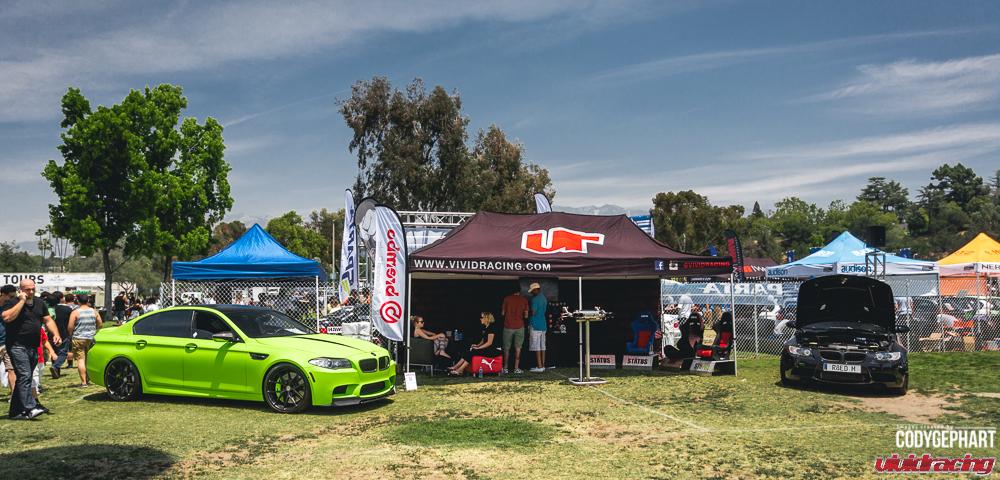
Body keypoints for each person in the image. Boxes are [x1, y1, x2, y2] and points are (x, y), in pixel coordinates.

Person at [2, 279, 62, 419]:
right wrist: (22, 301)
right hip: (17, 345)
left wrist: (56, 334)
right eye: (27, 289)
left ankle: (15, 412)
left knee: (24, 378)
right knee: (25, 375)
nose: (31, 292)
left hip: (33, 346)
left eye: (33, 289)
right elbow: (7, 317)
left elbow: (48, 320)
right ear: (21, 290)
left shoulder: (39, 303)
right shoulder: (12, 302)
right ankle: (30, 407)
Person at [67, 294, 102, 387]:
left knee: (80, 359)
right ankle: (89, 378)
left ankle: (83, 382)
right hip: (90, 338)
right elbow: (100, 324)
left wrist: (70, 334)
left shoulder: (75, 312)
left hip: (78, 338)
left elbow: (70, 326)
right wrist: (94, 330)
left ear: (78, 301)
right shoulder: (94, 311)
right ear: (88, 301)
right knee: (88, 359)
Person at [501, 285, 529, 374]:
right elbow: (526, 315)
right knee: (518, 348)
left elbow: (502, 313)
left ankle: (505, 368)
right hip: (520, 326)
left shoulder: (506, 299)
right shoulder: (524, 300)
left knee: (506, 348)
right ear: (519, 291)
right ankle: (516, 368)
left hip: (508, 326)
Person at [50, 292, 75, 378]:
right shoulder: (67, 309)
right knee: (63, 353)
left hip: (51, 334)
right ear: (61, 299)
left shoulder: (50, 309)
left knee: (54, 353)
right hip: (64, 333)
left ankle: (56, 373)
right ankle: (56, 366)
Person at [527, 283, 548, 373]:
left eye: (532, 291)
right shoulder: (544, 298)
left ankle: (539, 366)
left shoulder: (535, 299)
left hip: (535, 324)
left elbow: (533, 312)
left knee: (536, 346)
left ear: (536, 289)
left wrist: (527, 313)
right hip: (543, 324)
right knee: (543, 346)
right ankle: (543, 365)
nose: (532, 293)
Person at [0, 285, 17, 393]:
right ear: (3, 294)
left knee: (11, 369)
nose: (12, 299)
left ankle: (14, 396)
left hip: (8, 342)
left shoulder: (12, 306)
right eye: (11, 297)